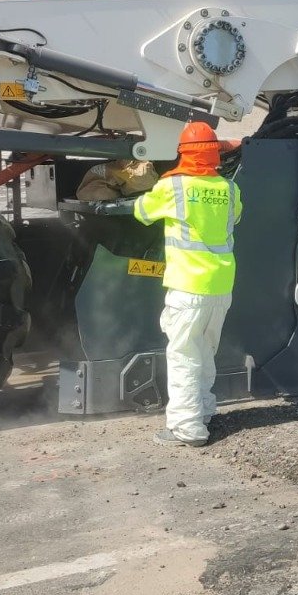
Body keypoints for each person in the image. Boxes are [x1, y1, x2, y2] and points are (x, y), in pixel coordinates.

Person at [91, 121, 242, 447]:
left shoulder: (173, 188)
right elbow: (236, 217)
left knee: (184, 355)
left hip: (188, 287)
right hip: (221, 285)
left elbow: (143, 211)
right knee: (204, 352)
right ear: (214, 154)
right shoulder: (229, 189)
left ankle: (188, 429)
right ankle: (202, 412)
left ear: (182, 154)